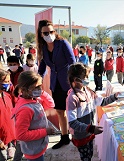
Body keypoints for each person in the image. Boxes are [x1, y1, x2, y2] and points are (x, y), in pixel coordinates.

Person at [66, 62, 119, 161]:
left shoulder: (88, 91)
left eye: (87, 76)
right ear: (75, 80)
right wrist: (90, 128)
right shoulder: (72, 98)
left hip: (89, 132)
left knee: (89, 153)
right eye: (85, 77)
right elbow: (72, 122)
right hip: (81, 135)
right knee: (85, 157)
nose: (87, 79)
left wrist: (114, 97)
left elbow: (102, 101)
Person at [37, 19, 75, 149]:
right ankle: (64, 137)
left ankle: (78, 135)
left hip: (68, 83)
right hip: (55, 83)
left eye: (51, 31)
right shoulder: (43, 48)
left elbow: (72, 62)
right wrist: (37, 80)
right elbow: (42, 67)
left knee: (73, 111)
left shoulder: (62, 43)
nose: (49, 34)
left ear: (55, 31)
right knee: (60, 111)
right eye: (45, 33)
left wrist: (74, 80)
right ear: (41, 34)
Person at [13, 71, 54, 161]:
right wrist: (45, 132)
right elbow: (21, 135)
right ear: (24, 90)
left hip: (38, 146)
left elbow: (51, 104)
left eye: (40, 86)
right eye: (36, 87)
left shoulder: (33, 98)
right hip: (33, 151)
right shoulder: (25, 109)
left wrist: (42, 93)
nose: (39, 89)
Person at [0, 69, 15, 161]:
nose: (8, 83)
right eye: (5, 81)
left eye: (9, 81)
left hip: (10, 139)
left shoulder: (7, 96)